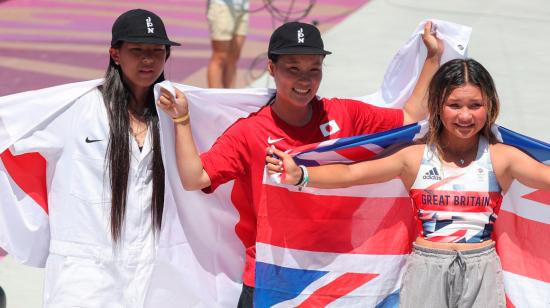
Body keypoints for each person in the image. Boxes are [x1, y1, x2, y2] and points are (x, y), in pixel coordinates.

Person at [157, 21, 442, 306]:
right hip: (272, 276)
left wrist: (432, 58)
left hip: (333, 272)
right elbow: (196, 178)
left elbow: (410, 118)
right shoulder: (249, 132)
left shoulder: (344, 114)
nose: (304, 80)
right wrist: (182, 121)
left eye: (313, 69)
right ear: (272, 68)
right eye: (292, 69)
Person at [267, 58, 550, 307]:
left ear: (490, 106)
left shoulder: (502, 158)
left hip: (482, 269)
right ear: (437, 106)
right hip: (427, 267)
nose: (465, 115)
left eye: (475, 105)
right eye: (454, 105)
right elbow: (352, 174)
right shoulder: (414, 157)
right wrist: (302, 176)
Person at [7, 9, 180, 306]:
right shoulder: (74, 108)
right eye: (137, 50)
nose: (148, 60)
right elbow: (7, 125)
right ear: (115, 54)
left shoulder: (175, 114)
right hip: (84, 271)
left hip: (151, 268)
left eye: (156, 51)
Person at [206, 0, 249, 88]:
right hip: (222, 6)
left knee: (233, 57)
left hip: (243, 6)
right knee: (220, 56)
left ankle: (230, 95)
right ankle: (213, 98)